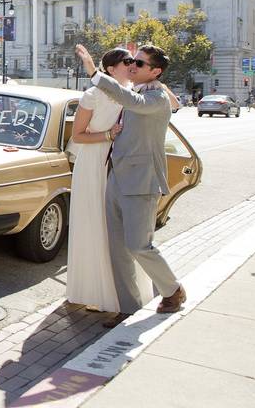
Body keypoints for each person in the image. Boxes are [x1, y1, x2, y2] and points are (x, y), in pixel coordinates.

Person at [76, 43, 187, 328]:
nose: (132, 67)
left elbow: (142, 103)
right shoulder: (139, 90)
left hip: (142, 181)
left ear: (156, 72)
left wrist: (94, 72)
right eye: (132, 62)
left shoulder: (156, 98)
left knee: (139, 245)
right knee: (117, 249)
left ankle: (173, 290)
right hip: (115, 176)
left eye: (139, 64)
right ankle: (128, 308)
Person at [66, 48, 154, 315]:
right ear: (111, 68)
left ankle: (128, 293)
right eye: (127, 61)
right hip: (94, 165)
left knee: (120, 231)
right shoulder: (92, 95)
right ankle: (95, 291)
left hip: (123, 168)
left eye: (134, 61)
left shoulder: (135, 95)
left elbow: (171, 105)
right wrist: (107, 135)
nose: (132, 65)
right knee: (95, 225)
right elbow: (78, 136)